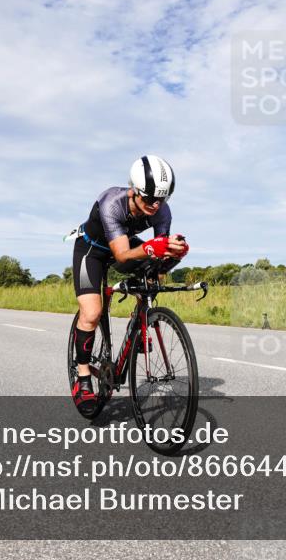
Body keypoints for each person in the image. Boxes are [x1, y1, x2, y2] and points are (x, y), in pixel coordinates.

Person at [71, 155, 188, 410]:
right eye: (148, 199)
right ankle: (82, 378)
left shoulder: (161, 211)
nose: (155, 205)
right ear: (134, 190)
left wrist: (171, 255)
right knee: (91, 313)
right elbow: (122, 254)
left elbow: (156, 255)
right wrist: (152, 248)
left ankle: (141, 323)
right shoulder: (111, 202)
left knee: (151, 274)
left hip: (123, 246)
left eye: (162, 199)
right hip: (92, 251)